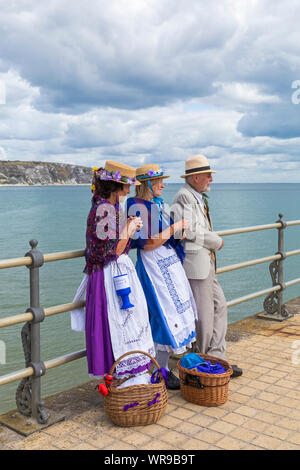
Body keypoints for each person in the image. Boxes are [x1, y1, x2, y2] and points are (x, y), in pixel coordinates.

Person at [71, 160, 155, 379]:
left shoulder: (108, 207)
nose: (129, 190)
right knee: (116, 323)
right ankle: (119, 378)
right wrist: (129, 227)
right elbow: (112, 251)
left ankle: (120, 378)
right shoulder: (103, 209)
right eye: (126, 186)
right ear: (115, 187)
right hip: (107, 274)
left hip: (109, 272)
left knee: (120, 324)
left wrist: (125, 225)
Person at [127, 164, 197, 389]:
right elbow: (147, 244)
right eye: (159, 181)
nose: (163, 185)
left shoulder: (156, 204)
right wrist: (174, 227)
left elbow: (163, 237)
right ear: (147, 183)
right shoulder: (136, 206)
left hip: (167, 266)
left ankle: (162, 369)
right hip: (154, 269)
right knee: (161, 316)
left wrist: (177, 233)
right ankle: (159, 371)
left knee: (173, 313)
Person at [171, 154, 242, 378]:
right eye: (208, 175)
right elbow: (190, 231)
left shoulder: (195, 196)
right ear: (196, 178)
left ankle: (217, 357)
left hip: (206, 263)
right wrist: (216, 241)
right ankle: (201, 363)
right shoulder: (184, 197)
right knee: (203, 315)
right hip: (196, 264)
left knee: (219, 306)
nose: (211, 179)